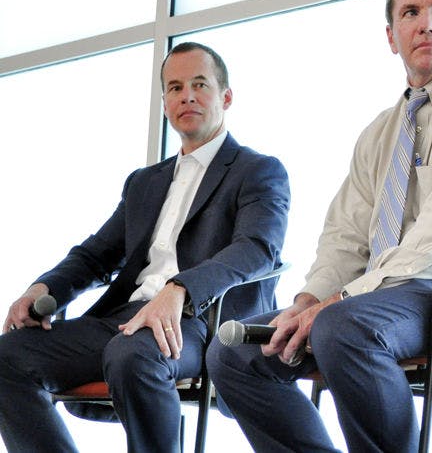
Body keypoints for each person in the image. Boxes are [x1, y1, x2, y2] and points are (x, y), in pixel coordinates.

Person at [206, 0, 432, 452]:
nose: (426, 23)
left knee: (344, 327)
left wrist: (337, 304)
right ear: (391, 36)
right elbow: (345, 235)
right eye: (411, 12)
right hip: (390, 301)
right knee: (235, 354)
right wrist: (307, 301)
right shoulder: (381, 133)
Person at [0, 42, 290, 452]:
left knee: (133, 354)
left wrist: (180, 290)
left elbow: (257, 248)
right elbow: (95, 254)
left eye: (199, 84)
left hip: (197, 321)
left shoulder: (258, 171)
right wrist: (44, 290)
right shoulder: (145, 182)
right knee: (7, 355)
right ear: (166, 102)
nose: (186, 95)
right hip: (122, 320)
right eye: (174, 87)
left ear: (226, 97)